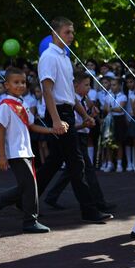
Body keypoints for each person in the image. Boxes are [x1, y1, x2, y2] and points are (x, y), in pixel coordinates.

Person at [35, 17, 112, 223]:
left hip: (66, 111)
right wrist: (56, 120)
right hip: (58, 114)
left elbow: (69, 93)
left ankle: (21, 199)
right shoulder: (49, 57)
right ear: (55, 32)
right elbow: (48, 91)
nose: (71, 36)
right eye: (67, 32)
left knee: (53, 164)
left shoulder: (65, 58)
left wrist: (85, 114)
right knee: (77, 163)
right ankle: (89, 210)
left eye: (72, 32)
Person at [0, 68, 54, 233]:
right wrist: (2, 156)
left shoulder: (24, 103)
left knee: (27, 186)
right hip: (15, 152)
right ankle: (29, 221)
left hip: (26, 150)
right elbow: (0, 132)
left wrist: (52, 130)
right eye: (16, 82)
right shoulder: (5, 106)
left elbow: (31, 126)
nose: (20, 85)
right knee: (29, 186)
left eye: (23, 82)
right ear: (6, 85)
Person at [44, 73, 115, 212]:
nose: (89, 88)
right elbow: (72, 126)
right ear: (75, 86)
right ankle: (99, 202)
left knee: (72, 170)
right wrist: (85, 124)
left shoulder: (83, 100)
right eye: (86, 85)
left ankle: (52, 196)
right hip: (76, 137)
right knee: (87, 170)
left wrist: (91, 114)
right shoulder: (71, 102)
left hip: (81, 136)